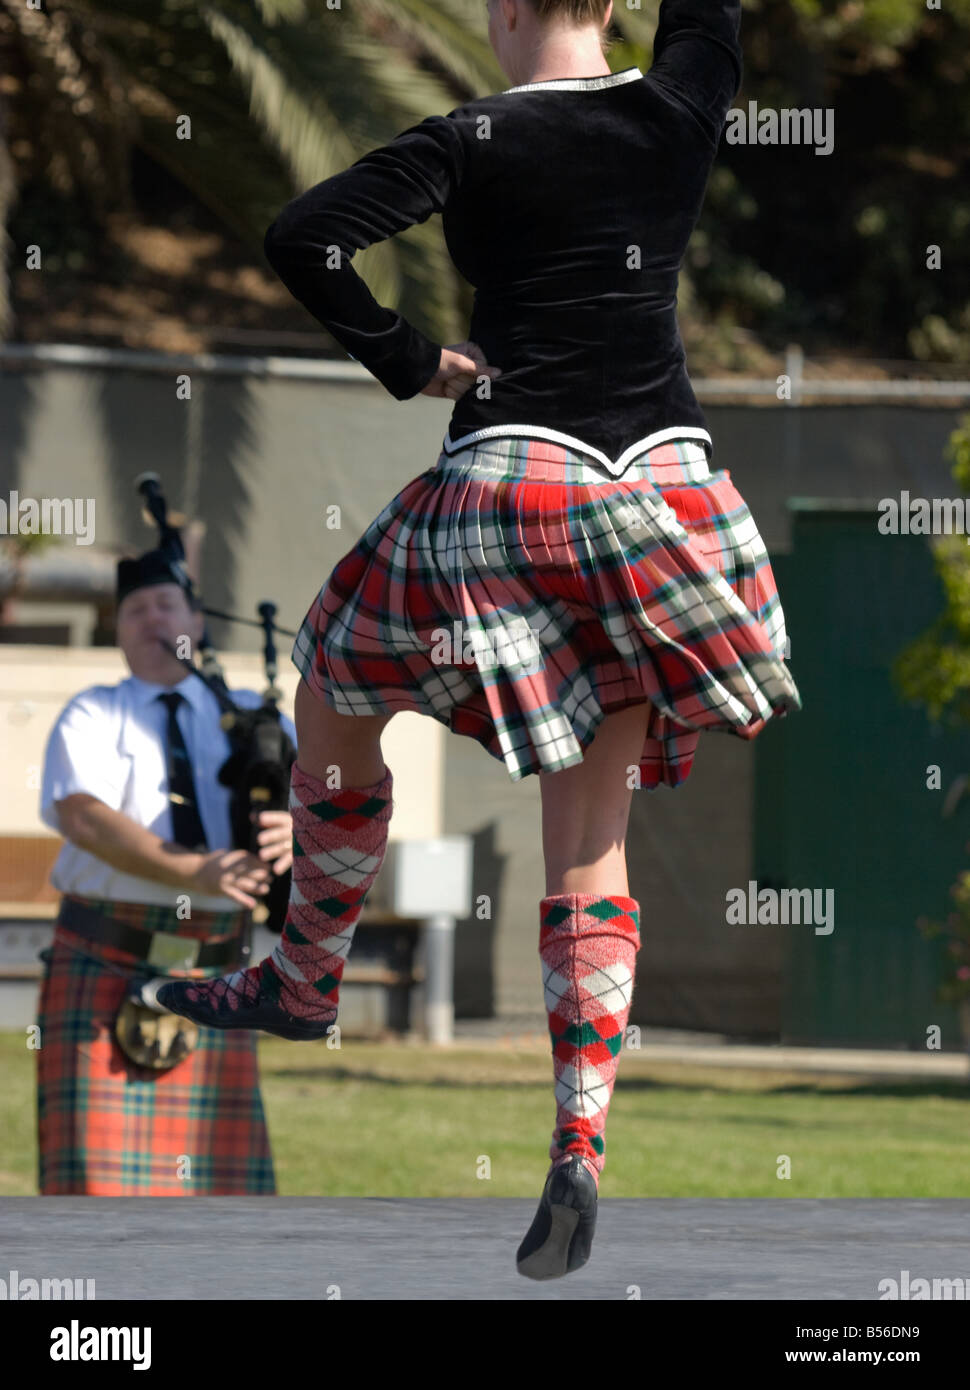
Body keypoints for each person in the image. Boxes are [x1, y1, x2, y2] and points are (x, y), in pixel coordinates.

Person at [160, 0, 801, 1275]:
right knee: (590, 834)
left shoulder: (473, 132)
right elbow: (712, 16)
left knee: (335, 678)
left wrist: (410, 359)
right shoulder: (679, 106)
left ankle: (305, 972)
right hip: (664, 496)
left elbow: (307, 238)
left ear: (506, 11)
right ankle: (577, 1141)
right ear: (611, 6)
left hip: (510, 481)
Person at [36, 548, 296, 1194]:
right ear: (117, 632)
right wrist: (194, 872)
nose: (152, 619)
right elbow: (84, 817)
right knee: (94, 1195)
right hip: (104, 961)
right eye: (134, 610)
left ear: (197, 621)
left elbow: (326, 809)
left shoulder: (255, 720)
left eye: (166, 604)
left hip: (216, 973)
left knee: (224, 1200)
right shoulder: (94, 713)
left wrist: (303, 832)